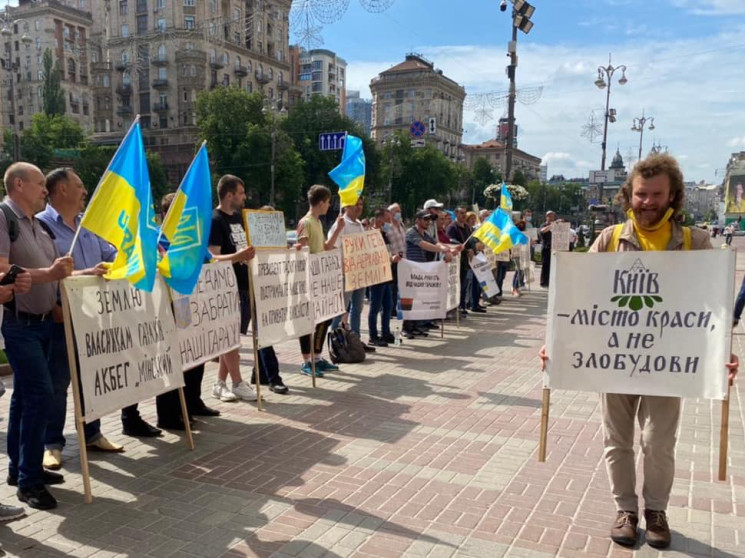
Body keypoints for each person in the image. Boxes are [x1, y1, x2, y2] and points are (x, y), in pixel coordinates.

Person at [540, 153, 739, 550]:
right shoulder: (610, 239)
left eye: (656, 194)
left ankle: (656, 511)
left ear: (673, 196)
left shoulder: (695, 243)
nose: (647, 202)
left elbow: (712, 306)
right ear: (628, 195)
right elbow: (582, 297)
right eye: (640, 194)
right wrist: (556, 342)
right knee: (617, 439)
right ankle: (626, 511)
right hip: (613, 359)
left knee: (658, 442)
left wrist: (722, 353)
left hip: (670, 362)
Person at [36, 167, 128, 465]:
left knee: (93, 377)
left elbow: (111, 255)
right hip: (61, 316)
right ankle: (52, 443)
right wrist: (60, 300)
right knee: (57, 382)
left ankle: (93, 432)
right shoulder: (41, 226)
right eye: (79, 185)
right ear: (62, 190)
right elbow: (45, 272)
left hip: (95, 317)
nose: (85, 191)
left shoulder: (89, 225)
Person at [0, 163, 74, 510]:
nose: (45, 190)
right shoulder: (4, 217)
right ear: (19, 184)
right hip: (21, 325)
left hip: (44, 324)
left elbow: (56, 272)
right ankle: (30, 481)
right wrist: (48, 273)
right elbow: (2, 272)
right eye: (41, 184)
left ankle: (20, 469)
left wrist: (85, 272)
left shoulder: (38, 225)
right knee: (40, 395)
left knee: (25, 399)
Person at [155, 192, 223, 430]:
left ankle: (193, 402)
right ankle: (169, 414)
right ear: (166, 215)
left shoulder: (192, 239)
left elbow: (212, 262)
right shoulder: (158, 241)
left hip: (192, 306)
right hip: (168, 309)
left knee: (196, 354)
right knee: (174, 360)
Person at [207, 175, 261, 402]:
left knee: (232, 337)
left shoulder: (239, 218)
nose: (244, 196)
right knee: (230, 338)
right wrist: (240, 256)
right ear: (229, 195)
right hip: (226, 287)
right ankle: (237, 382)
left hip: (243, 284)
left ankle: (220, 383)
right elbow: (213, 257)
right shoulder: (215, 220)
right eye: (241, 192)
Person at [296, 185, 345, 376]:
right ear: (321, 202)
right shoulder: (306, 222)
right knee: (307, 320)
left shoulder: (317, 222)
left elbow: (323, 247)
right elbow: (305, 249)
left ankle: (317, 357)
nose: (329, 206)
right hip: (308, 280)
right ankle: (306, 361)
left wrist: (338, 230)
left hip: (320, 281)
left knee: (325, 316)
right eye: (328, 202)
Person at [403, 210, 460, 337]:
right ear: (417, 220)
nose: (428, 222)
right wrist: (442, 249)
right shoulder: (411, 233)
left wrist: (450, 249)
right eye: (425, 219)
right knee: (409, 300)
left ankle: (415, 326)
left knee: (418, 300)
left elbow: (435, 242)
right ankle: (406, 327)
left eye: (429, 220)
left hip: (420, 271)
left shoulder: (425, 234)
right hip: (410, 271)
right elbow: (424, 245)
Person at [328, 197, 371, 350]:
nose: (359, 207)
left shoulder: (359, 224)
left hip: (359, 273)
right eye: (356, 205)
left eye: (361, 204)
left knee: (357, 308)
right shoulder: (341, 224)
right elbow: (333, 247)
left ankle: (355, 340)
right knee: (341, 309)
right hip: (346, 274)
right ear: (347, 207)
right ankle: (333, 342)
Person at [368, 208, 397, 347]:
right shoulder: (371, 234)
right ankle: (373, 335)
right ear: (379, 219)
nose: (389, 222)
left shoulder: (385, 234)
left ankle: (386, 332)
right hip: (377, 275)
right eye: (387, 219)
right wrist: (390, 259)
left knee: (388, 305)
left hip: (387, 274)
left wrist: (392, 258)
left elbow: (387, 252)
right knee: (375, 306)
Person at [446, 207, 472, 315]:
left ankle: (462, 306)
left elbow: (469, 241)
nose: (463, 215)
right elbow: (450, 241)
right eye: (461, 213)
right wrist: (463, 248)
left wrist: (472, 249)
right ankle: (455, 307)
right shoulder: (452, 227)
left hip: (465, 260)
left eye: (465, 213)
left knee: (463, 285)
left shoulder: (466, 227)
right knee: (457, 285)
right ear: (456, 213)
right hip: (456, 261)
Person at [386, 203, 407, 319]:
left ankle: (398, 309)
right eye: (396, 211)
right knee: (392, 287)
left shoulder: (402, 225)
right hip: (393, 261)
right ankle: (390, 309)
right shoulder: (387, 226)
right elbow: (384, 241)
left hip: (404, 261)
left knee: (402, 287)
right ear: (390, 213)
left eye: (399, 211)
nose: (398, 213)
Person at [538, 210, 557, 288]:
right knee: (545, 265)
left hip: (554, 248)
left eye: (552, 216)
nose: (551, 217)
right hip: (546, 247)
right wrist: (552, 225)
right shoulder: (544, 225)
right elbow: (542, 231)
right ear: (546, 217)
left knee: (552, 266)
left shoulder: (555, 225)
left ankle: (550, 282)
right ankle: (543, 282)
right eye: (549, 216)